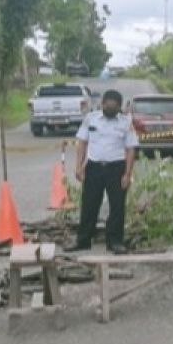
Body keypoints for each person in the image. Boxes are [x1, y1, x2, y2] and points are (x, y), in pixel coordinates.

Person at [66, 89, 138, 255]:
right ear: (102, 104)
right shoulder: (91, 119)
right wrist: (79, 166)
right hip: (94, 168)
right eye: (108, 106)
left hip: (116, 169)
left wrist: (127, 174)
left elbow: (131, 149)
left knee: (117, 206)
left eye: (114, 108)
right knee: (89, 204)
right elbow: (82, 143)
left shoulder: (126, 123)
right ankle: (83, 240)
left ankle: (115, 241)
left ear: (119, 107)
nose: (110, 110)